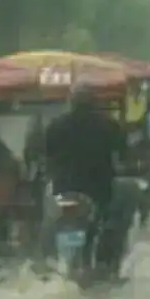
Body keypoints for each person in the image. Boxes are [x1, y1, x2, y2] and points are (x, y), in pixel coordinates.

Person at [41, 82, 130, 264]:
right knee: (114, 221)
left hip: (63, 187)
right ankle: (107, 265)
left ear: (71, 102)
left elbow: (44, 153)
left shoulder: (56, 125)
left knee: (50, 222)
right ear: (94, 103)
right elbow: (123, 154)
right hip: (98, 189)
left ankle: (50, 261)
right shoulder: (108, 125)